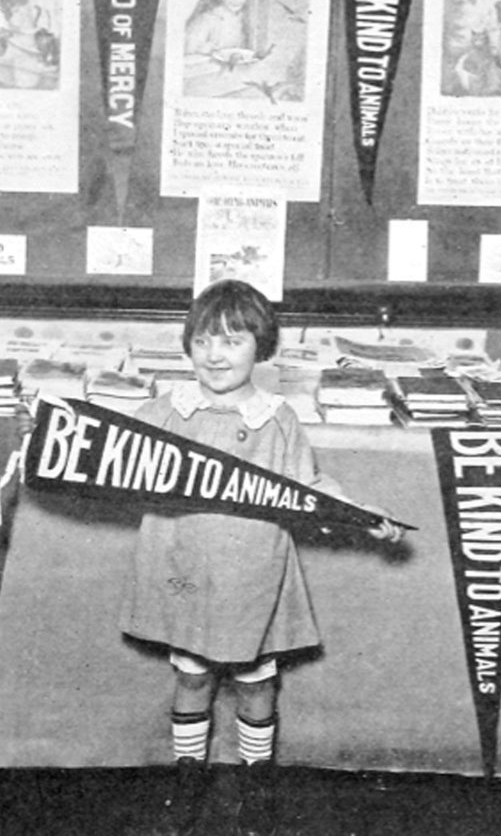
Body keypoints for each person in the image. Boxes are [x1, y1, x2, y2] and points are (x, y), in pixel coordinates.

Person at [119, 279, 404, 836]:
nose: (214, 354)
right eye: (202, 341)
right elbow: (112, 455)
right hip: (186, 563)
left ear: (261, 347)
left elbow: (312, 484)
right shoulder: (164, 410)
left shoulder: (279, 418)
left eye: (231, 341)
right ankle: (188, 775)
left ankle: (256, 780)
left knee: (255, 680)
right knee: (193, 676)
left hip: (254, 570)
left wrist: (364, 513)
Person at [184, 0, 252, 59]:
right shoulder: (208, 18)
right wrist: (201, 49)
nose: (238, 1)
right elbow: (188, 47)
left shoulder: (240, 18)